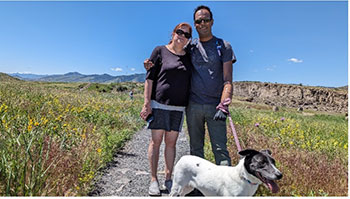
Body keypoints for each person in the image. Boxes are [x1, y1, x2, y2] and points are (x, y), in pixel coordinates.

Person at [144, 5, 236, 167]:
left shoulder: (224, 46)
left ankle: (224, 191)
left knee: (220, 150)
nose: (202, 23)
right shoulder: (190, 46)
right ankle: (197, 189)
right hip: (192, 106)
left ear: (212, 22)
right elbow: (172, 51)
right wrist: (152, 63)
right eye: (198, 21)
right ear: (195, 24)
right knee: (195, 150)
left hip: (216, 106)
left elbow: (227, 80)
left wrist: (224, 105)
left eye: (206, 20)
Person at [140, 22, 192, 196]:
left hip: (178, 107)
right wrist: (146, 102)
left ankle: (168, 179)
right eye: (180, 32)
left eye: (186, 34)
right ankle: (153, 180)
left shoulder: (188, 56)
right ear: (173, 33)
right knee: (156, 142)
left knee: (171, 144)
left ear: (188, 40)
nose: (182, 36)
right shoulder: (159, 51)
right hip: (159, 103)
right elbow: (150, 78)